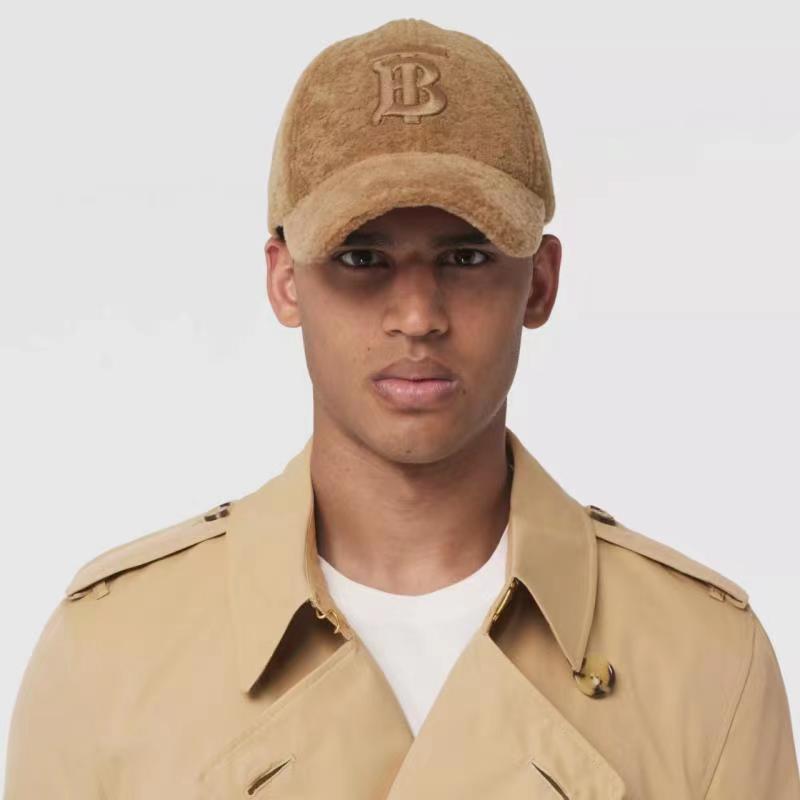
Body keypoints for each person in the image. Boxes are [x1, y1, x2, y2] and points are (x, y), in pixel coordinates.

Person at [5, 16, 799, 799]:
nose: (418, 316)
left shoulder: (705, 664)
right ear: (285, 281)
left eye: (466, 256)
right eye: (361, 257)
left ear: (541, 282)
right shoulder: (111, 655)